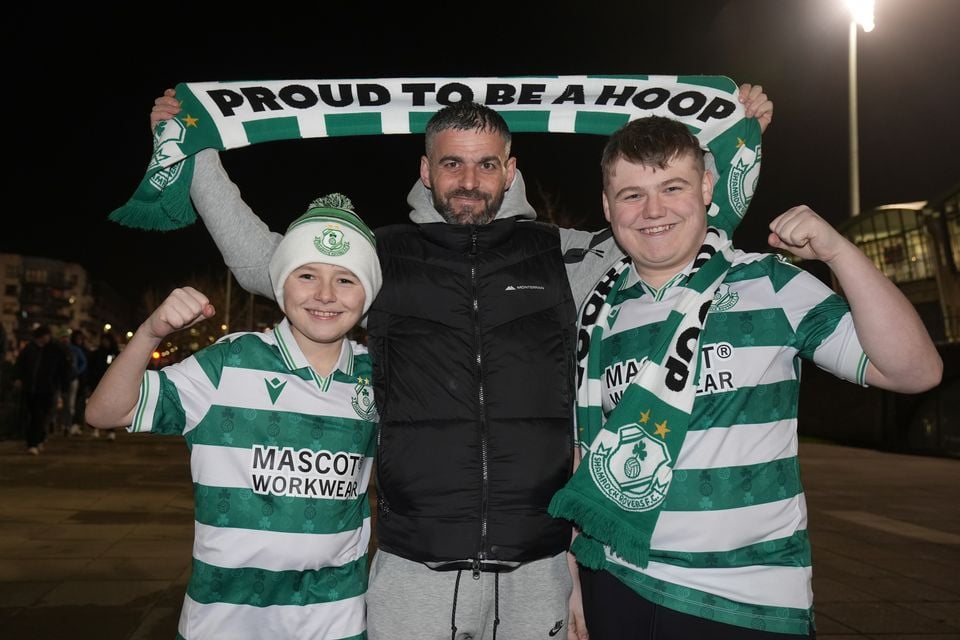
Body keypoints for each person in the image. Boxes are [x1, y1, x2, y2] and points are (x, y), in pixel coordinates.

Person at [150, 86, 772, 640]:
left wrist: (732, 145)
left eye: (485, 164)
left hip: (536, 564)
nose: (469, 180)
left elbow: (666, 231)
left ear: (510, 172)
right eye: (452, 163)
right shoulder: (382, 255)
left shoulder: (562, 254)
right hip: (416, 563)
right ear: (426, 171)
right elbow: (265, 262)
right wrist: (198, 151)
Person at [548, 115, 943, 639]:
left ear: (707, 188)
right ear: (606, 206)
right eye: (631, 195)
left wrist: (837, 252)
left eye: (673, 187)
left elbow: (914, 371)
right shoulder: (595, 312)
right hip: (617, 581)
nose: (654, 211)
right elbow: (584, 452)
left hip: (749, 597)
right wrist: (573, 573)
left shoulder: (769, 284)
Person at [85, 195, 383, 640]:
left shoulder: (377, 375)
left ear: (369, 294)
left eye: (345, 279)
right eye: (307, 275)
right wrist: (150, 332)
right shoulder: (229, 361)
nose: (325, 295)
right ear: (281, 284)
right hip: (227, 618)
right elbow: (106, 412)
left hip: (335, 613)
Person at [14, 325, 71, 455]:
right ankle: (33, 443)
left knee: (43, 415)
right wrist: (18, 378)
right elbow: (20, 364)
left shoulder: (54, 350)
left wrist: (63, 386)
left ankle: (39, 439)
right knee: (35, 415)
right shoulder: (29, 349)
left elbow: (63, 369)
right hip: (31, 388)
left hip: (47, 388)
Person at [86, 332, 119, 439]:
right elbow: (90, 369)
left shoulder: (116, 354)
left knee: (111, 408)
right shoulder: (96, 353)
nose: (105, 343)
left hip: (112, 384)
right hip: (97, 383)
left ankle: (111, 430)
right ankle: (95, 428)